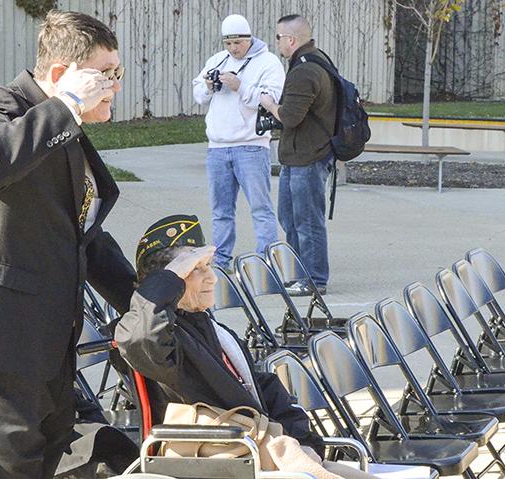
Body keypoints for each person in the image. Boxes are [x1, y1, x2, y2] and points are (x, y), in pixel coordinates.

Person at [0, 10, 137, 478]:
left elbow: (85, 239)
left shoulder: (63, 134)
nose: (116, 85)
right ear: (62, 75)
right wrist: (66, 106)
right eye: (108, 74)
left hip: (45, 359)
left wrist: (149, 299)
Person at [114, 214, 378, 479]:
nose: (212, 278)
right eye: (196, 269)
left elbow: (261, 389)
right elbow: (141, 340)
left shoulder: (206, 326)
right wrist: (168, 279)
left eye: (209, 266)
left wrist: (304, 442)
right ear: (167, 280)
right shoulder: (162, 337)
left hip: (265, 450)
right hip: (224, 458)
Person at [192, 14, 285, 272]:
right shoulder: (217, 60)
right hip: (218, 147)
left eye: (239, 42)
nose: (234, 48)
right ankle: (221, 260)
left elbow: (271, 99)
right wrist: (210, 85)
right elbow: (198, 94)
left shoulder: (268, 62)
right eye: (229, 43)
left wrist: (240, 86)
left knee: (261, 208)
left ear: (249, 38)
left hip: (252, 146)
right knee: (221, 210)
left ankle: (267, 261)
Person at [260, 14, 337, 296]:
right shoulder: (315, 60)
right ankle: (299, 275)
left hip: (309, 156)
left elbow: (290, 117)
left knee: (307, 221)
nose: (276, 41)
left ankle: (315, 279)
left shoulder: (305, 70)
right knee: (291, 219)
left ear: (291, 40)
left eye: (279, 37)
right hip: (299, 155)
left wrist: (269, 105)